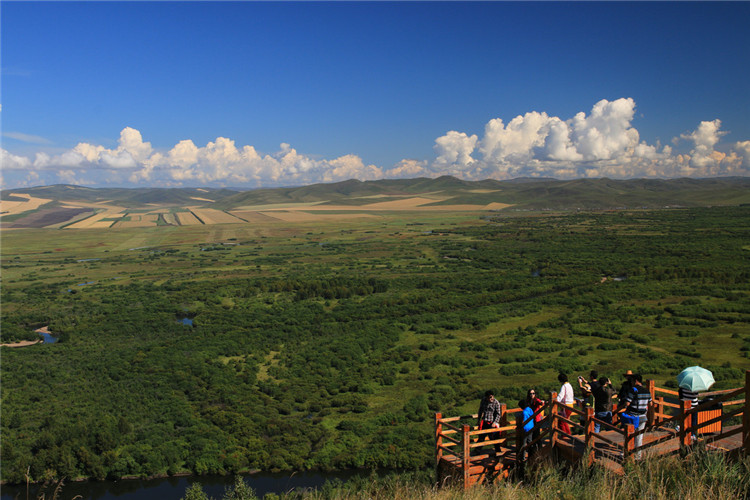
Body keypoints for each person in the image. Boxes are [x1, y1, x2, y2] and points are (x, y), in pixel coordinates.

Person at [617, 373, 652, 459]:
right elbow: (650, 403)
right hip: (643, 416)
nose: (631, 382)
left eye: (632, 381)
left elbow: (627, 403)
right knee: (639, 437)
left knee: (628, 435)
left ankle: (625, 453)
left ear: (636, 381)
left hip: (632, 416)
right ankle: (638, 455)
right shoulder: (647, 391)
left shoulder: (634, 390)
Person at [477, 390, 502, 456]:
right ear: (486, 397)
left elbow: (498, 414)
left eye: (492, 397)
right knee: (481, 437)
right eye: (489, 398)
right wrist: (478, 420)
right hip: (485, 421)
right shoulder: (483, 401)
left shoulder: (496, 402)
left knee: (494, 437)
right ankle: (477, 451)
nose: (491, 399)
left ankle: (498, 451)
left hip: (492, 423)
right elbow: (480, 410)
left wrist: (495, 422)